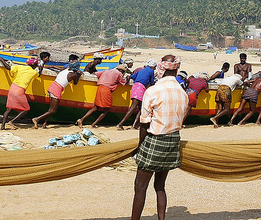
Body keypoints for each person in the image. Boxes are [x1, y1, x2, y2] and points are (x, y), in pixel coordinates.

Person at [131, 54, 188, 220]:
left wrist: (139, 146)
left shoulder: (153, 91)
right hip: (173, 141)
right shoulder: (182, 93)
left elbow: (144, 123)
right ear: (176, 70)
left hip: (155, 141)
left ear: (160, 70)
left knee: (140, 187)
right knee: (160, 186)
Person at [32, 62, 82, 129]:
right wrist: (78, 75)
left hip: (52, 86)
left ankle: (44, 124)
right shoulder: (73, 74)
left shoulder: (65, 70)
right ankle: (37, 119)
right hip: (57, 89)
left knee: (50, 109)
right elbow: (75, 83)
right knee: (53, 110)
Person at [77, 64, 129, 128]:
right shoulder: (119, 74)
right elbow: (124, 82)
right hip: (106, 90)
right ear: (121, 70)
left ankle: (81, 119)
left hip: (100, 88)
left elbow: (95, 74)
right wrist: (128, 78)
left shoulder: (107, 71)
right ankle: (93, 124)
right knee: (106, 110)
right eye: (123, 71)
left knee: (95, 107)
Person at [0, 57, 39, 130]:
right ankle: (12, 121)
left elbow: (8, 67)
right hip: (20, 90)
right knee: (26, 109)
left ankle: (3, 126)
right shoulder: (34, 72)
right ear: (34, 65)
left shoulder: (20, 67)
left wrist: (2, 60)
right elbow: (39, 74)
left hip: (13, 87)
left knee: (8, 109)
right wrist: (41, 67)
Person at [117, 59, 157, 130]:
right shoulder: (151, 71)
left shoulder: (142, 70)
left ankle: (135, 125)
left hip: (135, 87)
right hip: (141, 88)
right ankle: (121, 124)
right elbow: (152, 82)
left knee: (141, 108)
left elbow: (132, 76)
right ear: (153, 66)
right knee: (133, 107)